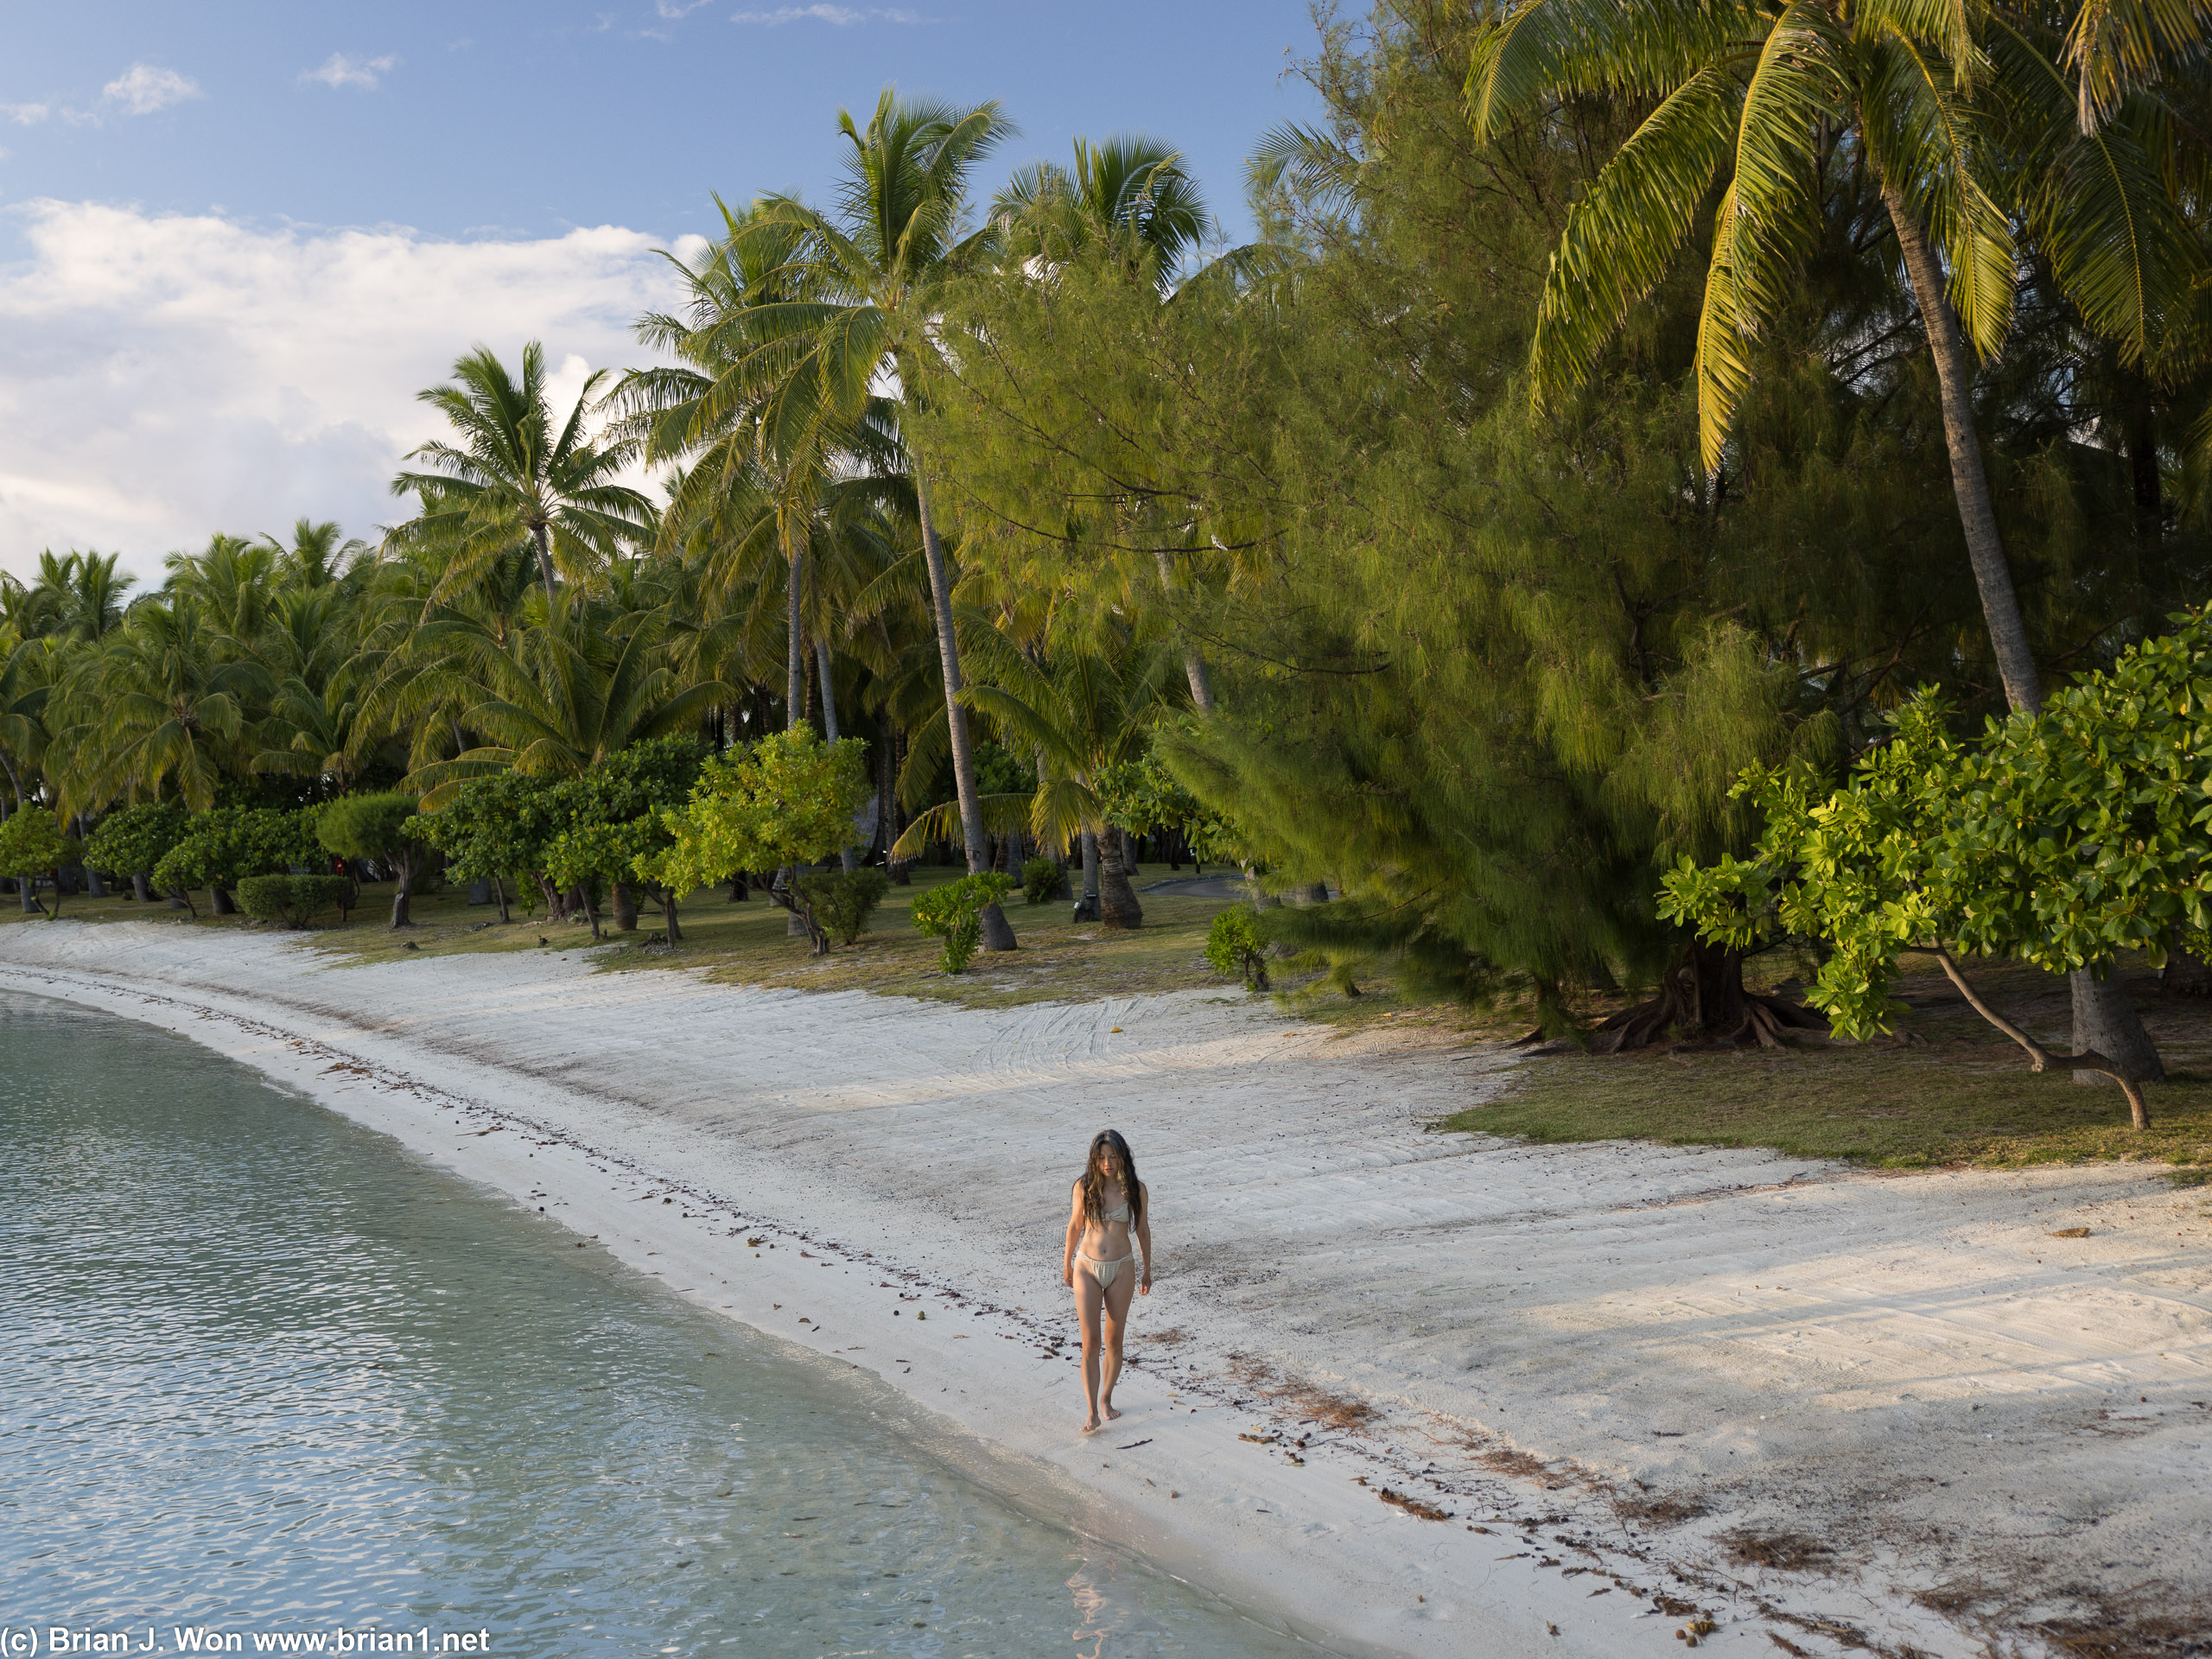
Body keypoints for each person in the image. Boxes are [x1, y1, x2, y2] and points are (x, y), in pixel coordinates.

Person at [1062, 1128, 1152, 1435]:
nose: (1107, 1163)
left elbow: (1142, 1231)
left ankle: (1106, 1398)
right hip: (1086, 1267)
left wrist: (1147, 1269)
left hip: (1122, 1268)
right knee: (1091, 1343)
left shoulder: (1135, 1190)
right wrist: (1066, 1263)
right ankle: (1091, 1412)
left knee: (1114, 1341)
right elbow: (1074, 1226)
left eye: (1113, 1157)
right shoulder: (1084, 1187)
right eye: (1101, 1157)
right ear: (1094, 1159)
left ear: (1122, 1157)